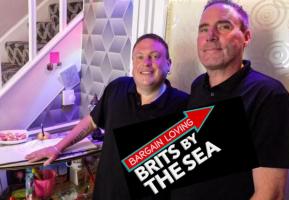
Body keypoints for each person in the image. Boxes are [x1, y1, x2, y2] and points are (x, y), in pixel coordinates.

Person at [25, 33, 189, 199]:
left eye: (154, 56)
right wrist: (57, 147)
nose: (146, 63)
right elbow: (92, 121)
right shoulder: (117, 88)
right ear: (133, 64)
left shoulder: (184, 106)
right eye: (139, 57)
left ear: (168, 64)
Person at [170, 0, 289, 199]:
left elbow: (270, 194)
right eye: (203, 29)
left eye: (224, 26)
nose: (210, 36)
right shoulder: (198, 85)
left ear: (246, 37)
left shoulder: (268, 96)